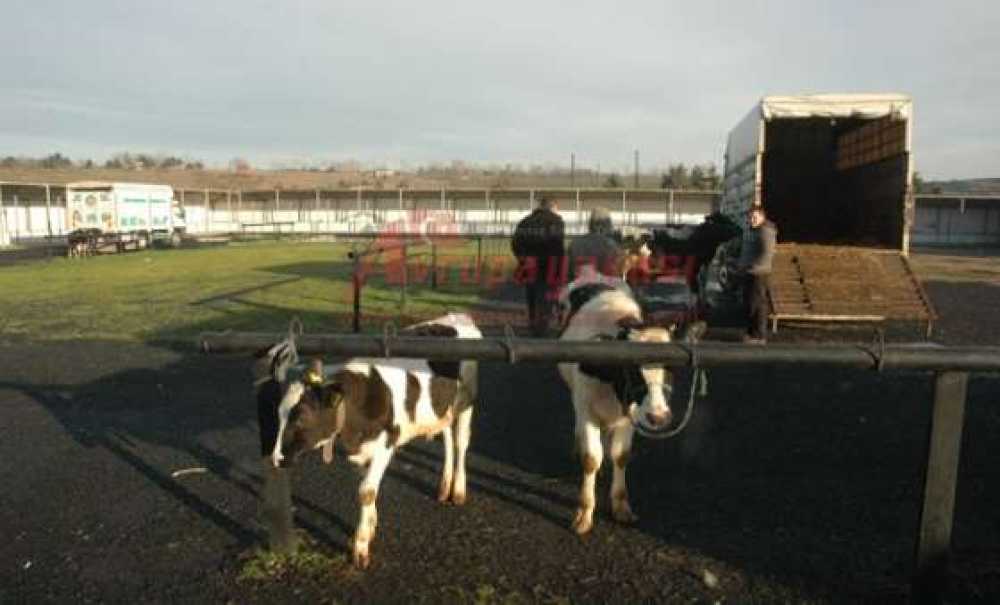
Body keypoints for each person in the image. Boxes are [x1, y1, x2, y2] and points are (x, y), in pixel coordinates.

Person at [511, 196, 565, 336]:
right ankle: (542, 328)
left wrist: (522, 260)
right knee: (546, 296)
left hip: (529, 264)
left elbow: (515, 243)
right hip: (548, 264)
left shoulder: (525, 222)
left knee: (532, 293)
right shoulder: (556, 221)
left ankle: (533, 323)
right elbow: (557, 244)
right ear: (552, 207)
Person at [738, 205, 777, 344]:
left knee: (758, 305)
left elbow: (767, 253)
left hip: (758, 273)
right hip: (749, 273)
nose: (752, 220)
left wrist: (753, 267)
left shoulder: (765, 231)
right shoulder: (752, 231)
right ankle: (751, 333)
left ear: (762, 217)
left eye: (755, 217)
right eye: (750, 217)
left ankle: (759, 335)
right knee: (749, 304)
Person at [568, 207, 623, 281]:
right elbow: (616, 272)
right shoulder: (612, 246)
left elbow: (569, 270)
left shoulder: (574, 243)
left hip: (579, 287)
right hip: (604, 287)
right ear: (607, 224)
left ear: (590, 224)